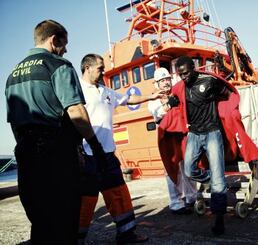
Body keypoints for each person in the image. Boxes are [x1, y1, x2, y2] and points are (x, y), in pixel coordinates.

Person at [5, 20, 107, 244]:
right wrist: (96, 148)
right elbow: (75, 109)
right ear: (54, 40)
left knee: (40, 220)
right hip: (56, 154)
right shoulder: (58, 64)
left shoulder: (12, 74)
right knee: (64, 219)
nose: (66, 49)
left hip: (25, 153)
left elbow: (13, 122)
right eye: (64, 44)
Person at [157, 56, 258, 236]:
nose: (183, 77)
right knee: (189, 171)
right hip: (194, 134)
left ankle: (219, 219)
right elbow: (177, 100)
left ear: (194, 68)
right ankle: (211, 180)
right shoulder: (181, 86)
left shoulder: (210, 81)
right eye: (180, 74)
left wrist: (226, 112)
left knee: (219, 179)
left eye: (186, 73)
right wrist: (168, 104)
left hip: (213, 133)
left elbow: (229, 95)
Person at [77, 54, 164, 244]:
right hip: (87, 155)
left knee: (119, 195)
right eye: (100, 68)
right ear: (87, 68)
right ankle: (77, 238)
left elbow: (128, 99)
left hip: (108, 154)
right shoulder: (76, 91)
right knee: (85, 201)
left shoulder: (106, 91)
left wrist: (150, 95)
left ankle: (126, 234)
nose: (103, 72)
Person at [148, 67, 197, 215]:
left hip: (181, 133)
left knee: (187, 164)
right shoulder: (153, 100)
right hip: (167, 136)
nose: (166, 83)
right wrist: (169, 104)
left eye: (167, 79)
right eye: (162, 80)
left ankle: (191, 196)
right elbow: (158, 112)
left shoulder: (177, 93)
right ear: (156, 83)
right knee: (171, 169)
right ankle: (175, 202)